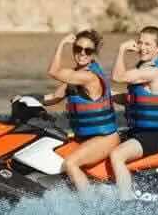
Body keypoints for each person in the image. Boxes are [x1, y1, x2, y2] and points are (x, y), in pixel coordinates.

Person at [45, 29, 120, 193]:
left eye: (88, 50)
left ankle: (89, 206)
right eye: (78, 48)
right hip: (86, 137)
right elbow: (55, 97)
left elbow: (53, 71)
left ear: (94, 54)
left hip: (104, 138)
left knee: (70, 163)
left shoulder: (88, 77)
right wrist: (27, 100)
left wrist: (61, 44)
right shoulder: (76, 75)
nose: (82, 53)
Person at [109, 26, 158, 200]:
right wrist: (103, 95)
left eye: (148, 44)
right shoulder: (143, 69)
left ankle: (126, 201)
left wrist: (121, 50)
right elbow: (130, 98)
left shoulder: (153, 72)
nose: (142, 47)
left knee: (117, 155)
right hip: (137, 132)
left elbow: (118, 77)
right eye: (140, 43)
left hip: (152, 136)